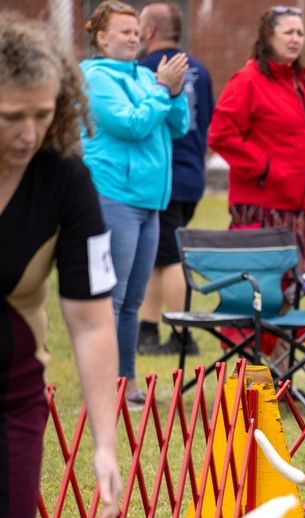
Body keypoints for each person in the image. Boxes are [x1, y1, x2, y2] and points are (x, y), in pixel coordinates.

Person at [0, 13, 122, 518]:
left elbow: (89, 316)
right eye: (12, 117)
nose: (28, 132)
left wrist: (105, 443)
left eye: (43, 115)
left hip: (10, 402)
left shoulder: (66, 180)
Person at [79, 0, 189, 410]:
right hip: (114, 197)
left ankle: (125, 382)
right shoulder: (93, 78)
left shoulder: (145, 75)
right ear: (102, 37)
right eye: (124, 31)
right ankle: (103, 383)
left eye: (135, 30)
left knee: (132, 301)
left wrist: (173, 93)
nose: (134, 37)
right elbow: (131, 123)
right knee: (112, 295)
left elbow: (178, 126)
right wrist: (163, 90)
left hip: (149, 201)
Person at [208, 6, 305, 292]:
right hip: (261, 209)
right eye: (288, 32)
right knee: (258, 293)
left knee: (293, 293)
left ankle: (288, 340)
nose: (296, 39)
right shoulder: (247, 81)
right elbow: (221, 135)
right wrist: (267, 169)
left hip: (302, 211)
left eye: (300, 33)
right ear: (268, 36)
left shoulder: (300, 86)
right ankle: (255, 340)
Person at [135, 1, 214, 357]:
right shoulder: (200, 69)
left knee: (169, 259)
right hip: (192, 177)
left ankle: (183, 336)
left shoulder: (144, 69)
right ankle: (147, 330)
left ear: (149, 32)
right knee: (158, 254)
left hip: (161, 179)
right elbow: (207, 122)